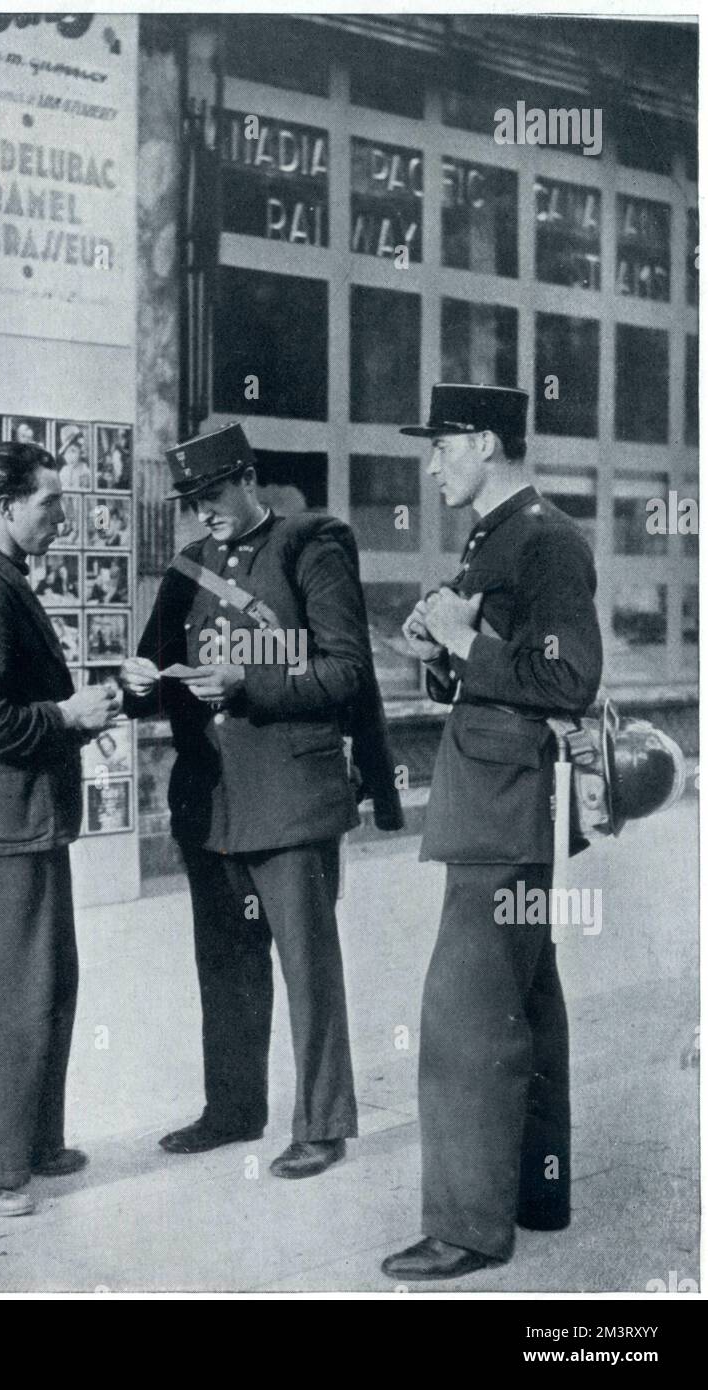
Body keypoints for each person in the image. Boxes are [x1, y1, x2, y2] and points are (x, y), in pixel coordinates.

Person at [121, 422, 403, 1179]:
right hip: (211, 802)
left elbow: (346, 671)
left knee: (307, 967)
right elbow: (154, 664)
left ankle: (323, 1123)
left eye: (210, 494)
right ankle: (232, 1107)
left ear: (246, 478)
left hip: (290, 795)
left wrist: (252, 685)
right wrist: (135, 684)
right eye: (189, 500)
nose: (201, 510)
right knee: (225, 964)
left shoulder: (310, 545)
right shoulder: (188, 566)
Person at [381, 383, 603, 1282]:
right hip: (498, 796)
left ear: (481, 441)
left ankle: (468, 1227)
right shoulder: (496, 535)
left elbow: (568, 680)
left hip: (501, 806)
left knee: (465, 1017)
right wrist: (441, 657)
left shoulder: (544, 538)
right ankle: (535, 1190)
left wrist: (465, 646)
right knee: (525, 1002)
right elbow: (502, 672)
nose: (431, 464)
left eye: (440, 446)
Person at [0, 440, 120, 1218]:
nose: (61, 515)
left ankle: (29, 1144)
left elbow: (12, 705)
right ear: (7, 510)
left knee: (44, 986)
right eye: (49, 503)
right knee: (2, 997)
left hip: (22, 823)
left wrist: (78, 716)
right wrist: (68, 716)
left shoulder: (3, 583)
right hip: (2, 827)